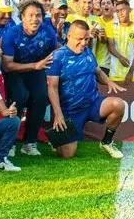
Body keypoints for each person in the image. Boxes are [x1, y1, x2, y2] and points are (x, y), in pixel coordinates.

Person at [46, 20, 127, 159]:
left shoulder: (87, 52)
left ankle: (107, 142)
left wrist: (108, 82)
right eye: (79, 39)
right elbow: (52, 87)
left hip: (93, 104)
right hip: (70, 111)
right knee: (67, 155)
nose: (83, 43)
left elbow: (97, 71)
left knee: (118, 104)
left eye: (86, 39)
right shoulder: (57, 56)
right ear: (69, 36)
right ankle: (56, 140)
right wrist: (58, 114)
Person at [1, 1, 58, 156]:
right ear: (22, 17)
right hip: (15, 71)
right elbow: (7, 65)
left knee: (40, 98)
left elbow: (56, 50)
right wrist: (35, 66)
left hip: (37, 70)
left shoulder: (48, 32)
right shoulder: (11, 33)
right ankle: (9, 142)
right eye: (30, 15)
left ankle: (30, 143)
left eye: (38, 15)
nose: (35, 19)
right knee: (20, 96)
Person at [106, 0, 134, 84]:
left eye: (123, 10)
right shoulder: (111, 26)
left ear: (129, 9)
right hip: (115, 73)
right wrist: (120, 57)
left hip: (133, 74)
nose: (120, 13)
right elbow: (110, 47)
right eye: (117, 11)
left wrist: (131, 72)